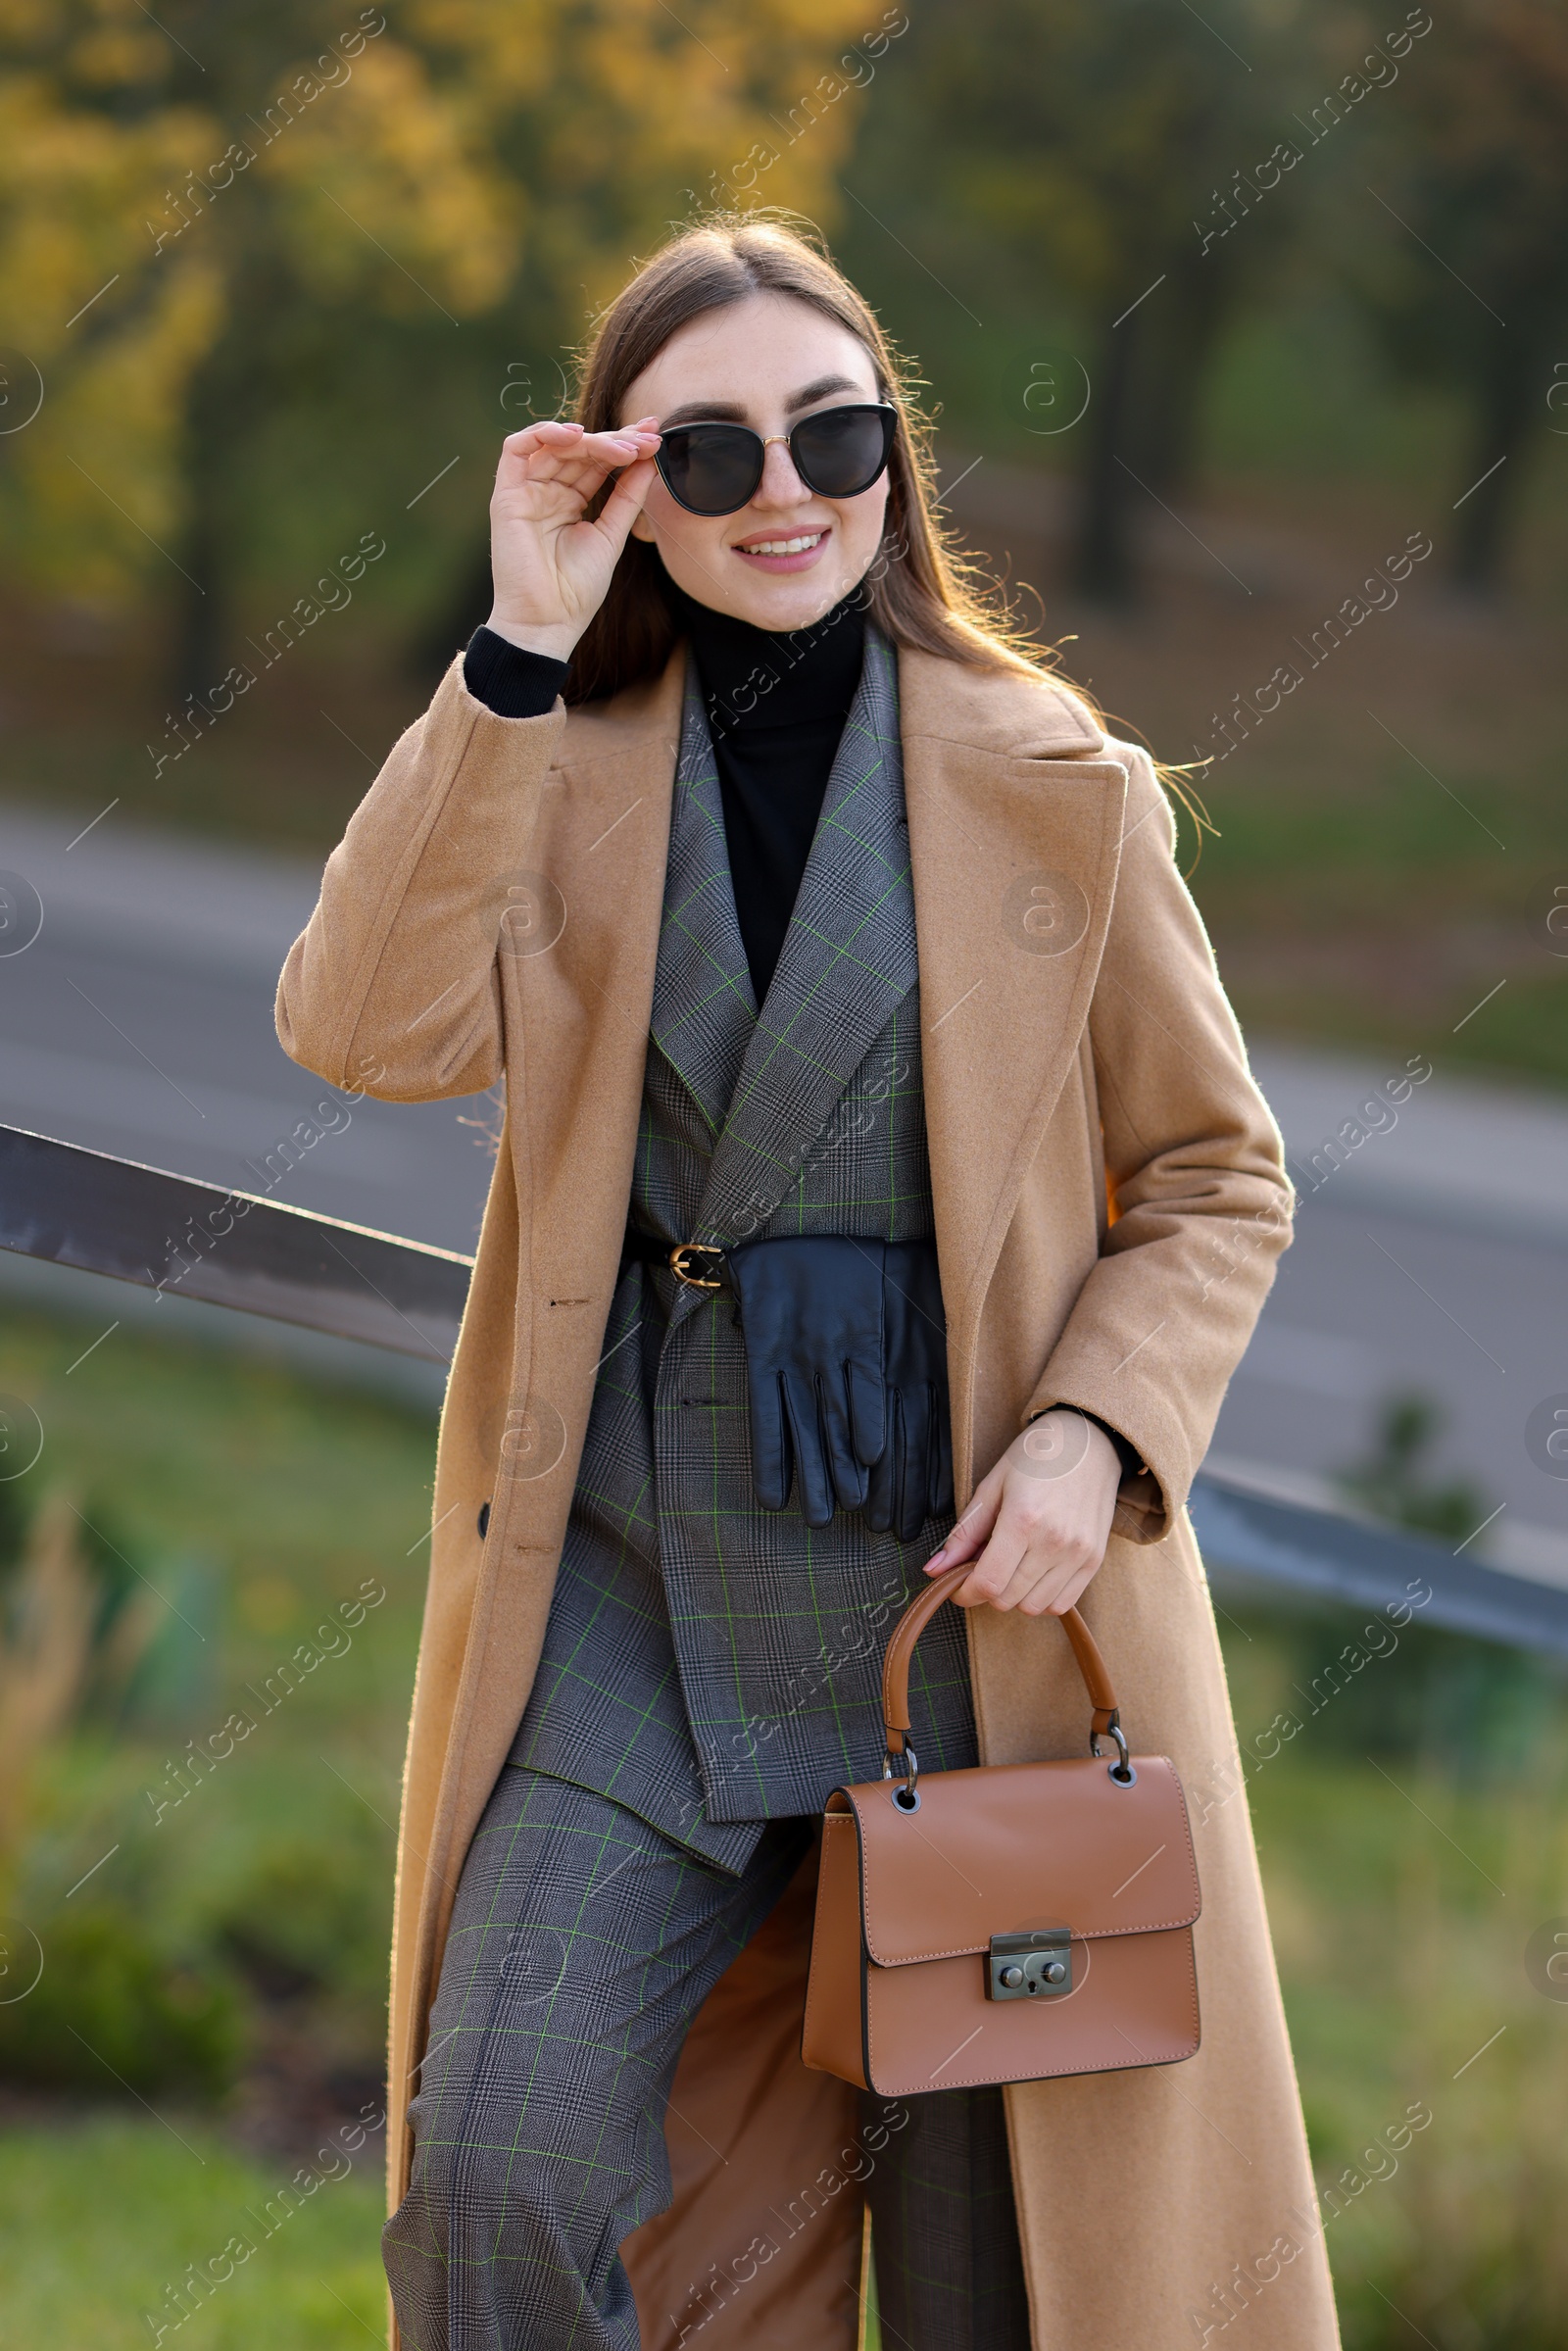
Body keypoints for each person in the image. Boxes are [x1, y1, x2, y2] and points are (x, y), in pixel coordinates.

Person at [277, 213, 1340, 2351]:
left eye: (830, 432)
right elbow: (364, 1033)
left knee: (1004, 2286)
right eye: (707, 454)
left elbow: (1214, 1173)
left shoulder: (1061, 786)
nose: (782, 493)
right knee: (491, 2163)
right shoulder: (549, 763)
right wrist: (511, 647)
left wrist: (1087, 1431)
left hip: (972, 1622)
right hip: (625, 1599)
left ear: (892, 455)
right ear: (616, 482)